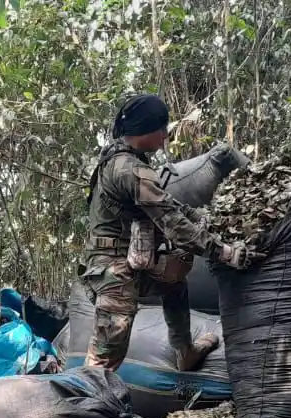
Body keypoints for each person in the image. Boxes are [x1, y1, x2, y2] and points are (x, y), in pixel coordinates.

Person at [81, 93, 260, 372]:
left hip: (129, 261)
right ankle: (82, 409)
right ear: (145, 130)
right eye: (162, 128)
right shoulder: (129, 170)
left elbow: (172, 206)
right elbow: (174, 224)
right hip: (112, 272)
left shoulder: (124, 160)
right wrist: (223, 252)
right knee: (102, 365)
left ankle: (184, 352)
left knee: (174, 283)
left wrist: (210, 221)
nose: (165, 135)